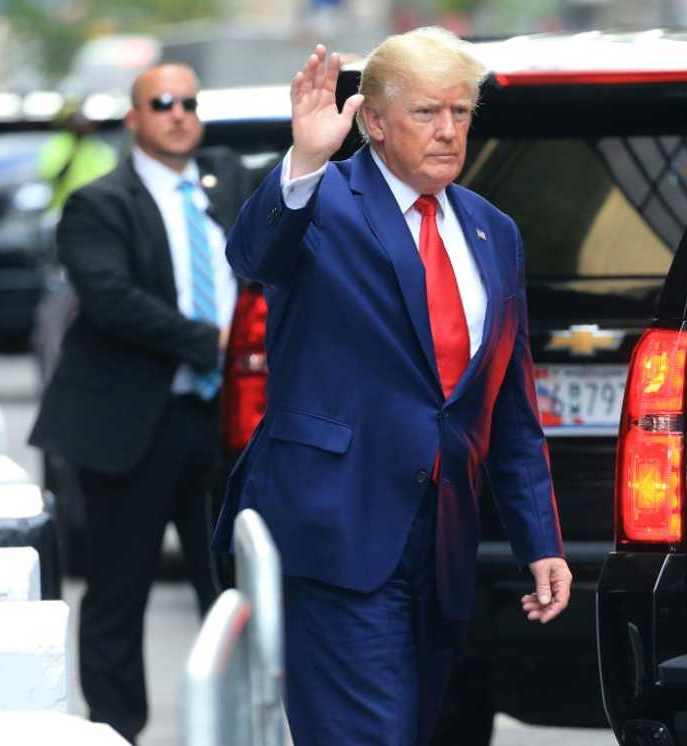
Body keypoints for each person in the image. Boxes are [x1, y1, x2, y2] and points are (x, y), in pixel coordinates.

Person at [211, 28, 572, 746]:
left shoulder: (492, 231)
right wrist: (306, 160)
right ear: (373, 122)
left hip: (440, 542)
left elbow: (508, 408)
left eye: (461, 113)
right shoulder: (324, 203)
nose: (448, 132)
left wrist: (541, 541)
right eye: (426, 113)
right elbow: (253, 252)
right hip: (334, 530)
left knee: (411, 729)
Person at [29, 63, 254, 743]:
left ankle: (245, 727)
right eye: (161, 102)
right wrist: (216, 340)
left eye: (188, 101)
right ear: (134, 118)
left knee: (234, 589)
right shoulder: (100, 202)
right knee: (118, 594)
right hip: (133, 426)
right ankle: (117, 731)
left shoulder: (229, 183)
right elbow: (112, 300)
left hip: (224, 425)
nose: (178, 112)